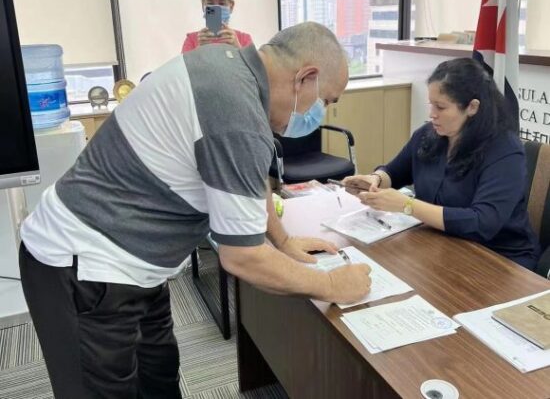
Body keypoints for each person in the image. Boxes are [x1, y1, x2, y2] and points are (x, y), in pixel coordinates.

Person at [19, 22, 372, 399]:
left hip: (136, 265)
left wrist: (282, 240)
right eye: (327, 101)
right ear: (306, 78)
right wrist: (334, 285)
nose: (324, 113)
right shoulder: (237, 111)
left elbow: (244, 179)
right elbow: (243, 259)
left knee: (159, 379)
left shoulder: (228, 68)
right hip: (84, 264)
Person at [343, 57, 541, 270]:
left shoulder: (504, 150)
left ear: (472, 107)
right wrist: (375, 180)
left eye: (441, 107)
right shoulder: (428, 135)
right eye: (431, 104)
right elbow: (394, 171)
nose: (432, 114)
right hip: (442, 245)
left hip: (498, 258)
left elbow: (483, 223)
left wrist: (407, 205)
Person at [181, 0, 253, 53]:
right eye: (210, 3)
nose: (216, 8)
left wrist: (237, 47)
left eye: (222, 3)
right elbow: (182, 64)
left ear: (231, 6)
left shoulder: (244, 39)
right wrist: (199, 49)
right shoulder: (191, 39)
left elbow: (253, 64)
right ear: (203, 5)